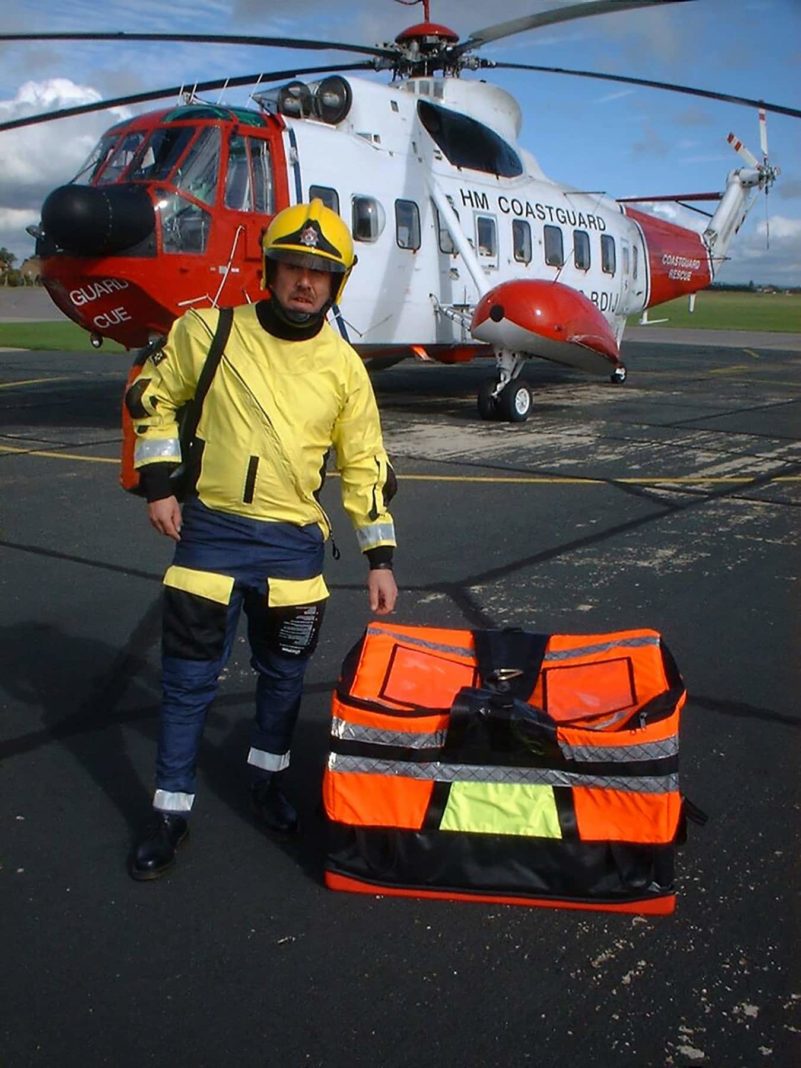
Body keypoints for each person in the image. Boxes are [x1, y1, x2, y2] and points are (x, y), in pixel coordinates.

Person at [125, 199, 397, 880]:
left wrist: (378, 557)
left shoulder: (345, 370)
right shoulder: (205, 331)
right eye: (294, 267)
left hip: (293, 549)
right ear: (270, 270)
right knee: (187, 683)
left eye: (321, 272)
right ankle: (169, 811)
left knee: (282, 682)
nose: (305, 282)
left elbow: (366, 467)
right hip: (209, 536)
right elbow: (152, 397)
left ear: (337, 283)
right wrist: (159, 483)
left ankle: (268, 782)